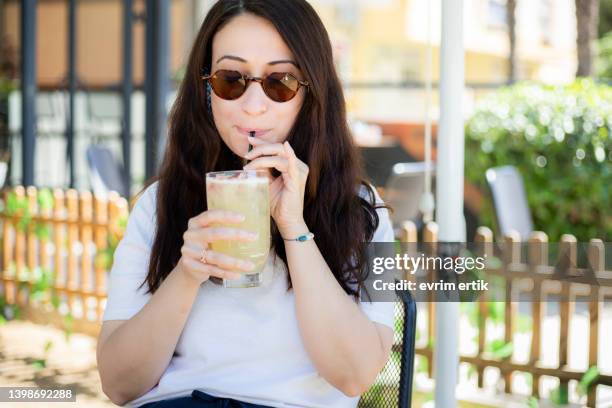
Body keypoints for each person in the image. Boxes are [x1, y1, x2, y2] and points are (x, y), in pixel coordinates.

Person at [97, 0, 396, 407]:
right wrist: (187, 273)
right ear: (206, 89)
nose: (253, 106)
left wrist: (294, 229)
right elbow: (118, 383)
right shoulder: (159, 205)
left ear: (310, 94)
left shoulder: (363, 210)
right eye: (231, 79)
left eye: (281, 82)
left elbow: (355, 374)